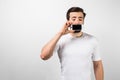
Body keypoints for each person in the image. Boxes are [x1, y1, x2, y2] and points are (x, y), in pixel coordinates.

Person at [40, 7, 104, 80]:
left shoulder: (92, 40)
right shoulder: (60, 39)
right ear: (68, 21)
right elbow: (44, 56)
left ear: (83, 21)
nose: (77, 21)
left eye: (80, 19)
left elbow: (97, 65)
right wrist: (60, 33)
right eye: (73, 19)